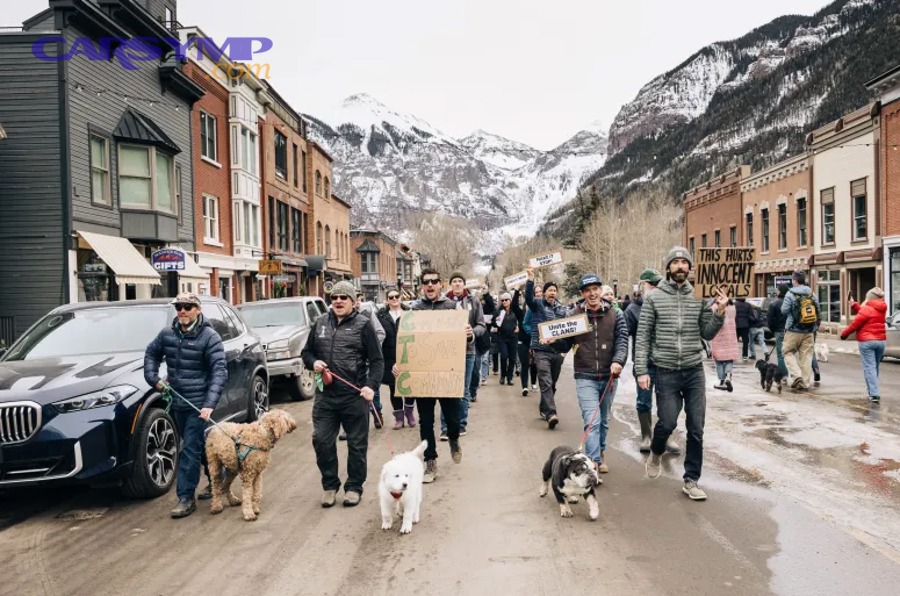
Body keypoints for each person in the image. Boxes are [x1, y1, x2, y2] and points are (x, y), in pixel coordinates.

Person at [636, 246, 727, 501]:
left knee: (696, 427)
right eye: (675, 262)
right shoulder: (654, 298)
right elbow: (642, 337)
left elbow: (707, 332)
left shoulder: (698, 297)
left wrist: (719, 313)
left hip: (694, 370)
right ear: (668, 267)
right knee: (667, 422)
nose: (680, 266)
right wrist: (641, 370)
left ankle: (691, 480)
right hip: (665, 371)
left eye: (684, 262)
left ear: (690, 268)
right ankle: (656, 451)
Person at [144, 292, 227, 518]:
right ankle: (219, 479)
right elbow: (151, 353)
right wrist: (154, 379)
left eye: (187, 307)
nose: (182, 310)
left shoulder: (210, 337)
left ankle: (185, 497)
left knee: (189, 449)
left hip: (199, 404)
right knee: (197, 445)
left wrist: (209, 404)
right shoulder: (167, 334)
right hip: (177, 401)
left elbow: (219, 372)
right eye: (179, 306)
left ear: (198, 310)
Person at [302, 280, 384, 508]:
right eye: (334, 297)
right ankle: (330, 485)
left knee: (357, 445)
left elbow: (377, 361)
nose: (338, 301)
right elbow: (306, 353)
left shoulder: (363, 325)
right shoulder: (320, 323)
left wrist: (371, 386)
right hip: (325, 396)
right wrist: (313, 362)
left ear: (353, 301)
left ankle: (354, 488)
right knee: (321, 441)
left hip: (354, 396)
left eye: (343, 297)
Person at [405, 268, 481, 483]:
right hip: (423, 374)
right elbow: (405, 341)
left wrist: (469, 336)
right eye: (426, 282)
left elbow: (465, 337)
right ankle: (430, 462)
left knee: (453, 418)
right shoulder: (414, 309)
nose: (430, 285)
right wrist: (399, 364)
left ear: (440, 284)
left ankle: (454, 438)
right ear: (422, 286)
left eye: (434, 281)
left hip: (447, 373)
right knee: (426, 421)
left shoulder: (452, 307)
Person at [567, 273, 628, 474]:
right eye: (587, 290)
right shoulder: (574, 315)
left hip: (609, 376)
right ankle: (593, 463)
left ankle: (600, 452)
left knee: (603, 420)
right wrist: (552, 341)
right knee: (591, 420)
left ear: (600, 290)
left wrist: (618, 361)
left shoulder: (615, 314)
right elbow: (564, 343)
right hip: (585, 375)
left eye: (595, 289)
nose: (592, 293)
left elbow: (622, 340)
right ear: (582, 294)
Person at [624, 268, 680, 455]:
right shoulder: (632, 310)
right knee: (644, 402)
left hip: (666, 363)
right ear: (643, 286)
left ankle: (666, 436)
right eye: (652, 284)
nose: (656, 287)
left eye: (658, 284)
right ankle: (646, 436)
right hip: (644, 365)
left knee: (667, 403)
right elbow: (623, 335)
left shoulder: (667, 304)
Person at [440, 271, 486, 439]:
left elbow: (481, 325)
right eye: (454, 281)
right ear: (450, 284)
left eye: (460, 281)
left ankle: (460, 424)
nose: (457, 283)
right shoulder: (443, 301)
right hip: (446, 351)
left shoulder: (473, 301)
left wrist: (471, 332)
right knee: (447, 390)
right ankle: (445, 427)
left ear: (464, 284)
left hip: (468, 350)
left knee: (464, 390)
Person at [524, 267, 570, 429]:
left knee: (552, 383)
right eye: (549, 290)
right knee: (545, 380)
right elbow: (528, 298)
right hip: (541, 350)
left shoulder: (562, 310)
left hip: (557, 351)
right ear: (544, 293)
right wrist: (530, 279)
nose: (552, 293)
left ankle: (544, 407)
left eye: (554, 291)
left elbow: (567, 331)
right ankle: (551, 413)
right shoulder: (537, 305)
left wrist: (565, 351)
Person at [841, 287, 887, 402]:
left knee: (869, 367)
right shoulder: (882, 308)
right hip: (881, 341)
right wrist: (854, 304)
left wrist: (844, 334)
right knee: (874, 367)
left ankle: (874, 394)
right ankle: (871, 391)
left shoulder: (867, 309)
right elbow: (866, 313)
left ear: (870, 298)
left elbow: (855, 324)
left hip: (867, 342)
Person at [377, 290, 415, 429]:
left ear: (401, 297)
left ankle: (409, 413)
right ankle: (399, 418)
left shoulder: (409, 312)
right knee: (394, 387)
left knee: (409, 386)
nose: (394, 299)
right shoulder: (381, 315)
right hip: (389, 355)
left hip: (407, 354)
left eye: (396, 296)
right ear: (387, 299)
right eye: (391, 297)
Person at [781, 270, 820, 391]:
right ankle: (805, 383)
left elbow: (784, 310)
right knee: (806, 356)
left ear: (795, 281)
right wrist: (815, 327)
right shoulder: (812, 293)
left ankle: (796, 375)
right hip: (809, 330)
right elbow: (818, 311)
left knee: (787, 352)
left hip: (793, 329)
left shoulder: (790, 293)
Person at [511, 287, 538, 396]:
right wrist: (517, 292)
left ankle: (533, 383)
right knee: (525, 364)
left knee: (534, 364)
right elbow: (513, 306)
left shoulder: (537, 313)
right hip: (523, 342)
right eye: (527, 305)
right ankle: (525, 386)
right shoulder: (521, 313)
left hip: (535, 341)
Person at [710, 299, 738, 391]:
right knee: (729, 359)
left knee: (719, 361)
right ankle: (728, 376)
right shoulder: (732, 307)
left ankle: (722, 381)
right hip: (731, 337)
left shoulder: (714, 307)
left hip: (718, 337)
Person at [767, 284, 790, 381]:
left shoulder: (774, 304)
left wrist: (773, 331)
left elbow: (770, 320)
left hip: (779, 331)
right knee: (790, 353)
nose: (776, 292)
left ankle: (783, 375)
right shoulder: (791, 302)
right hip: (791, 331)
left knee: (781, 355)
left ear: (779, 291)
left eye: (777, 290)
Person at [495, 292, 519, 385]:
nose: (504, 301)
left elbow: (522, 320)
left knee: (512, 358)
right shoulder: (499, 311)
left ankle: (510, 378)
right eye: (502, 300)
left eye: (506, 300)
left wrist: (519, 327)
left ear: (510, 300)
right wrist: (495, 321)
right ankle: (503, 375)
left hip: (513, 337)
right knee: (504, 356)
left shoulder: (515, 310)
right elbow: (493, 322)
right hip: (502, 337)